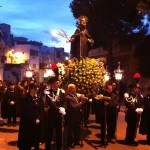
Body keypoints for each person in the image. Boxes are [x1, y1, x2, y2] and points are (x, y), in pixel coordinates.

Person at [43, 76, 66, 150]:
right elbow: (50, 103)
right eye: (56, 83)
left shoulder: (62, 91)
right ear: (52, 84)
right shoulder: (48, 92)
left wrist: (63, 108)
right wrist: (58, 108)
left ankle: (59, 147)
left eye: (58, 83)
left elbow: (65, 101)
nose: (58, 84)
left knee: (59, 132)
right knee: (49, 132)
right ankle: (48, 147)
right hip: (51, 115)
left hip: (59, 115)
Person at [17, 83, 42, 150]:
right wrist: (33, 119)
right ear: (30, 89)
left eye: (36, 88)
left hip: (36, 121)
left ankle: (35, 145)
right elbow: (24, 111)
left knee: (35, 136)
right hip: (27, 122)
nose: (36, 90)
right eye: (34, 89)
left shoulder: (37, 97)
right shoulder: (25, 98)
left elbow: (40, 109)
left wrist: (39, 118)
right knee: (27, 138)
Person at [65, 84, 86, 148]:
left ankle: (76, 141)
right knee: (71, 130)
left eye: (75, 88)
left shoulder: (75, 96)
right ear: (69, 89)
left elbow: (77, 105)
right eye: (73, 88)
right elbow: (73, 107)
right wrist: (80, 103)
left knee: (78, 129)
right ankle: (70, 143)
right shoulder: (68, 97)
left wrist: (82, 106)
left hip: (77, 116)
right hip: (71, 116)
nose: (75, 89)